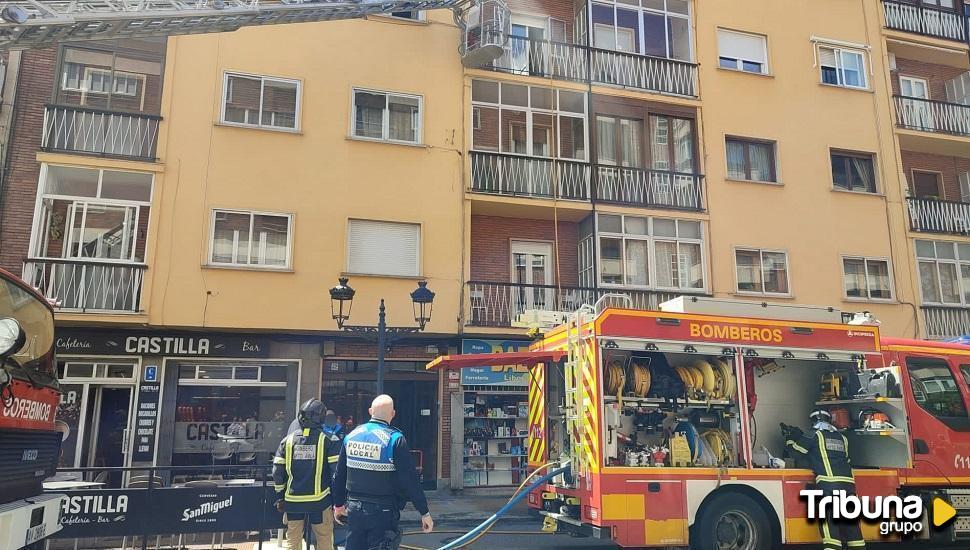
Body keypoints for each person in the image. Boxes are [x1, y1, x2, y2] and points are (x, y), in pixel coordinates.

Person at [333, 395, 433, 550]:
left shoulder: (351, 437)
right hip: (383, 512)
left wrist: (338, 505)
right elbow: (410, 480)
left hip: (354, 508)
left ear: (370, 411)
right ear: (393, 414)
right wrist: (424, 512)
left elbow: (339, 475)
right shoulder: (394, 440)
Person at [784, 410, 866, 550]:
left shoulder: (814, 434)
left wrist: (790, 438)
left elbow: (795, 453)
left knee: (830, 527)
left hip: (829, 485)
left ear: (813, 421)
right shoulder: (842, 438)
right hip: (848, 486)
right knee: (852, 527)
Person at [272, 398, 340, 550]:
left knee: (292, 541)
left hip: (292, 501)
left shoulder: (287, 441)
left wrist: (280, 496)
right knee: (324, 540)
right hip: (320, 502)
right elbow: (336, 474)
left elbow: (277, 471)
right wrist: (337, 500)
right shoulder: (329, 440)